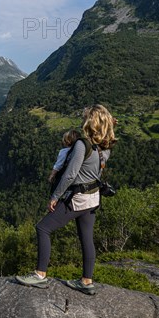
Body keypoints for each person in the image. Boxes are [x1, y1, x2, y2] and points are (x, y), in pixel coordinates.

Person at [16, 104, 117, 295]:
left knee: (43, 228)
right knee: (86, 238)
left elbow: (70, 175)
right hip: (93, 199)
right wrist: (110, 126)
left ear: (91, 121)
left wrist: (55, 197)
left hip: (77, 198)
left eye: (85, 117)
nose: (82, 120)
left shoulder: (82, 144)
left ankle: (39, 275)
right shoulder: (103, 147)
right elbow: (104, 153)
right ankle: (86, 281)